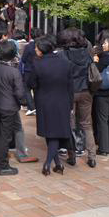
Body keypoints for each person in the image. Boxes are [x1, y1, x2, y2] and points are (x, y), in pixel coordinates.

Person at [28, 36, 74, 176]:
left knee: (51, 133)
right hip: (62, 101)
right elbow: (70, 86)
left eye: (37, 47)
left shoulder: (37, 64)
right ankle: (58, 164)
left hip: (44, 101)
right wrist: (70, 104)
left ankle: (47, 164)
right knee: (52, 132)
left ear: (42, 49)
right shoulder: (66, 63)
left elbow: (31, 83)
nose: (35, 49)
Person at [58, 28, 96, 168]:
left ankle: (71, 155)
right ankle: (92, 157)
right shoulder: (88, 52)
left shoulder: (63, 55)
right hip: (86, 90)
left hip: (69, 92)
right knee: (86, 124)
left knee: (70, 124)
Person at [0, 40, 25, 176]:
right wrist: (23, 102)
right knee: (5, 136)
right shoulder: (14, 72)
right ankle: (3, 165)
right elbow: (20, 93)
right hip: (8, 107)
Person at [20, 28, 43, 116]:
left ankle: (31, 107)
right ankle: (37, 106)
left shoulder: (29, 46)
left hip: (29, 70)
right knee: (37, 89)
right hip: (40, 69)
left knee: (27, 89)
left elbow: (23, 59)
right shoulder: (43, 45)